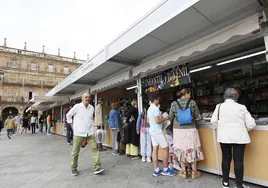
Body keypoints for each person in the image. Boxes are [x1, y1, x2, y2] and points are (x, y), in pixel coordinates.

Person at [211, 88, 256, 188]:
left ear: (225, 96)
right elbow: (251, 124)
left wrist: (221, 128)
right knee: (238, 161)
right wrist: (243, 129)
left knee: (226, 159)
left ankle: (225, 182)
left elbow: (213, 121)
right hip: (239, 137)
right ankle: (239, 185)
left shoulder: (219, 107)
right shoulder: (242, 107)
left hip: (224, 137)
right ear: (236, 96)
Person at [66, 92, 105, 176]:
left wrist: (93, 128)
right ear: (82, 98)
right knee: (75, 152)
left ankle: (97, 167)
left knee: (95, 149)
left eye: (89, 97)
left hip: (90, 132)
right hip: (78, 133)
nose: (88, 98)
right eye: (86, 97)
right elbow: (68, 115)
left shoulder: (92, 108)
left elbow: (92, 118)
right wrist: (72, 125)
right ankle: (73, 168)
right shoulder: (77, 107)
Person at [169, 88, 204, 179]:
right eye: (189, 94)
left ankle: (183, 171)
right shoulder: (192, 103)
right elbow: (197, 116)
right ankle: (194, 171)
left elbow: (170, 117)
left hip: (178, 130)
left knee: (180, 149)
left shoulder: (173, 104)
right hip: (190, 129)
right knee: (191, 148)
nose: (190, 96)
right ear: (186, 94)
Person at [148, 94, 176, 177]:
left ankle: (156, 170)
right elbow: (157, 120)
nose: (159, 101)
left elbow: (149, 120)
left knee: (155, 149)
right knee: (165, 148)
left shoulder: (150, 108)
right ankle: (165, 169)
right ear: (155, 99)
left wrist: (160, 115)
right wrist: (165, 118)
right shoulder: (156, 108)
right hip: (157, 131)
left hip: (152, 130)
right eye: (158, 99)